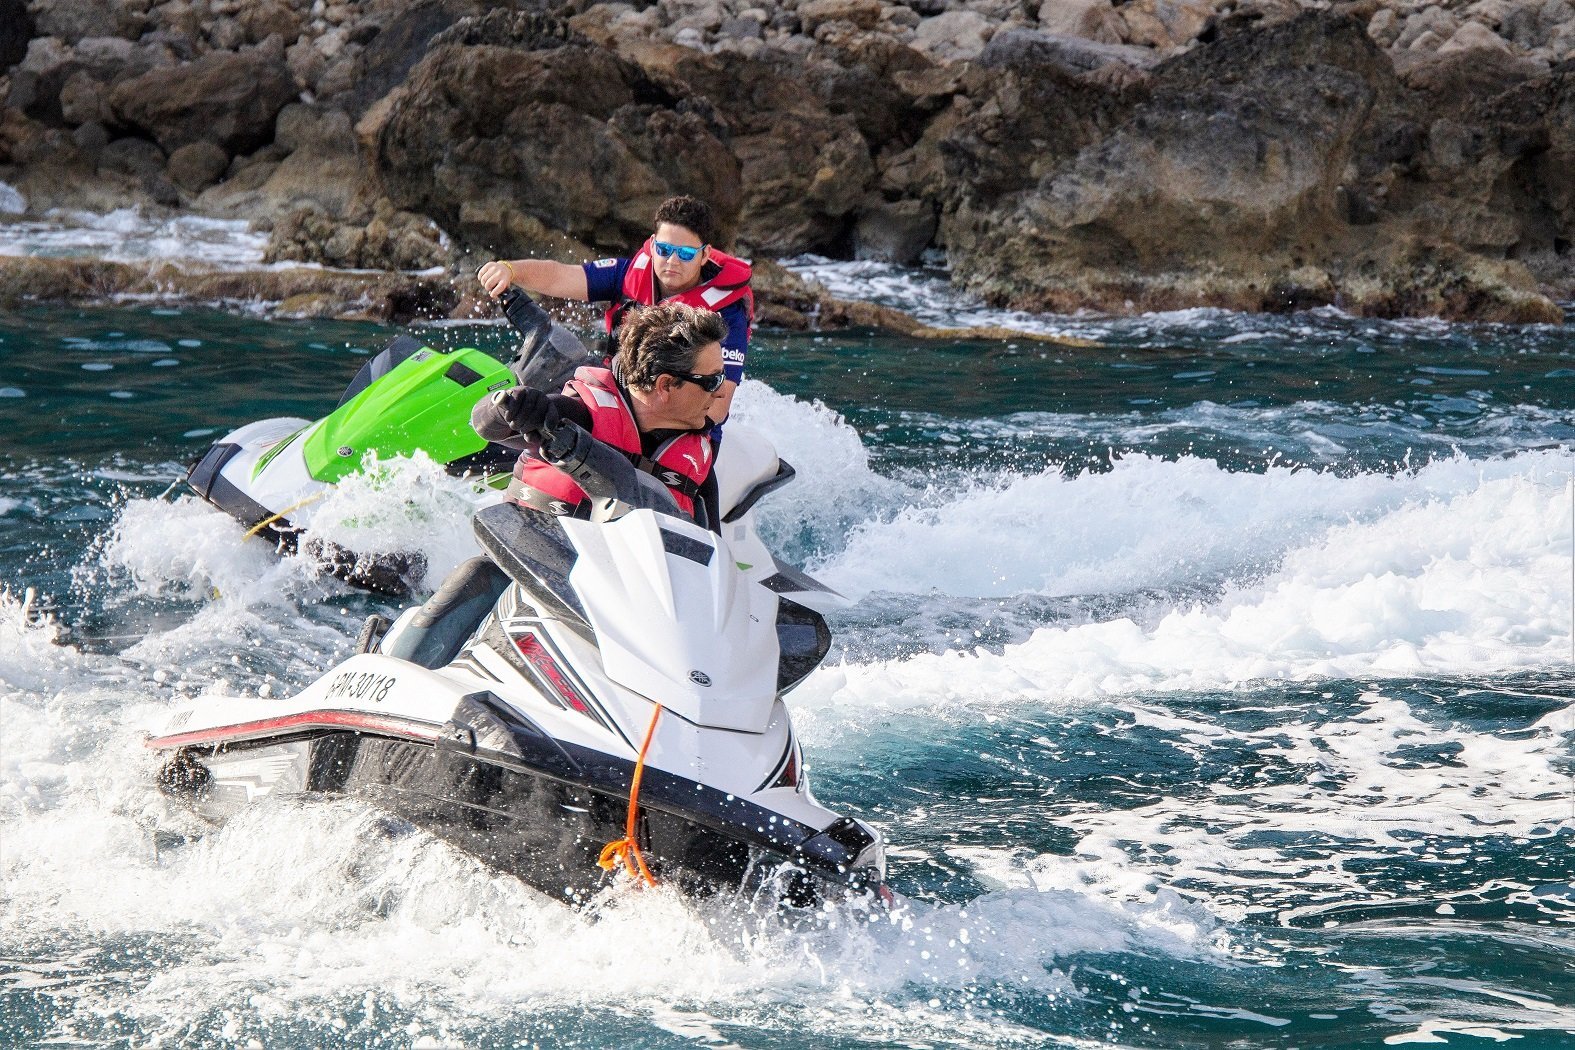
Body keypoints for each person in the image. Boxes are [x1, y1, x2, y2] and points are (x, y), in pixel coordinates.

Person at [476, 196, 752, 429]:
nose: (672, 261)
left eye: (685, 254)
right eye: (665, 249)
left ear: (705, 255)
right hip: (612, 394)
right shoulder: (627, 275)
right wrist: (511, 270)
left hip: (676, 421)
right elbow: (559, 276)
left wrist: (646, 417)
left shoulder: (726, 313)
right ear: (653, 243)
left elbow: (718, 405)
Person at [472, 302, 730, 527]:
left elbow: (712, 552)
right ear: (665, 385)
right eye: (712, 380)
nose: (721, 392)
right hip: (532, 561)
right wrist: (505, 405)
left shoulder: (697, 459)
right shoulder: (577, 414)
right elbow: (487, 427)